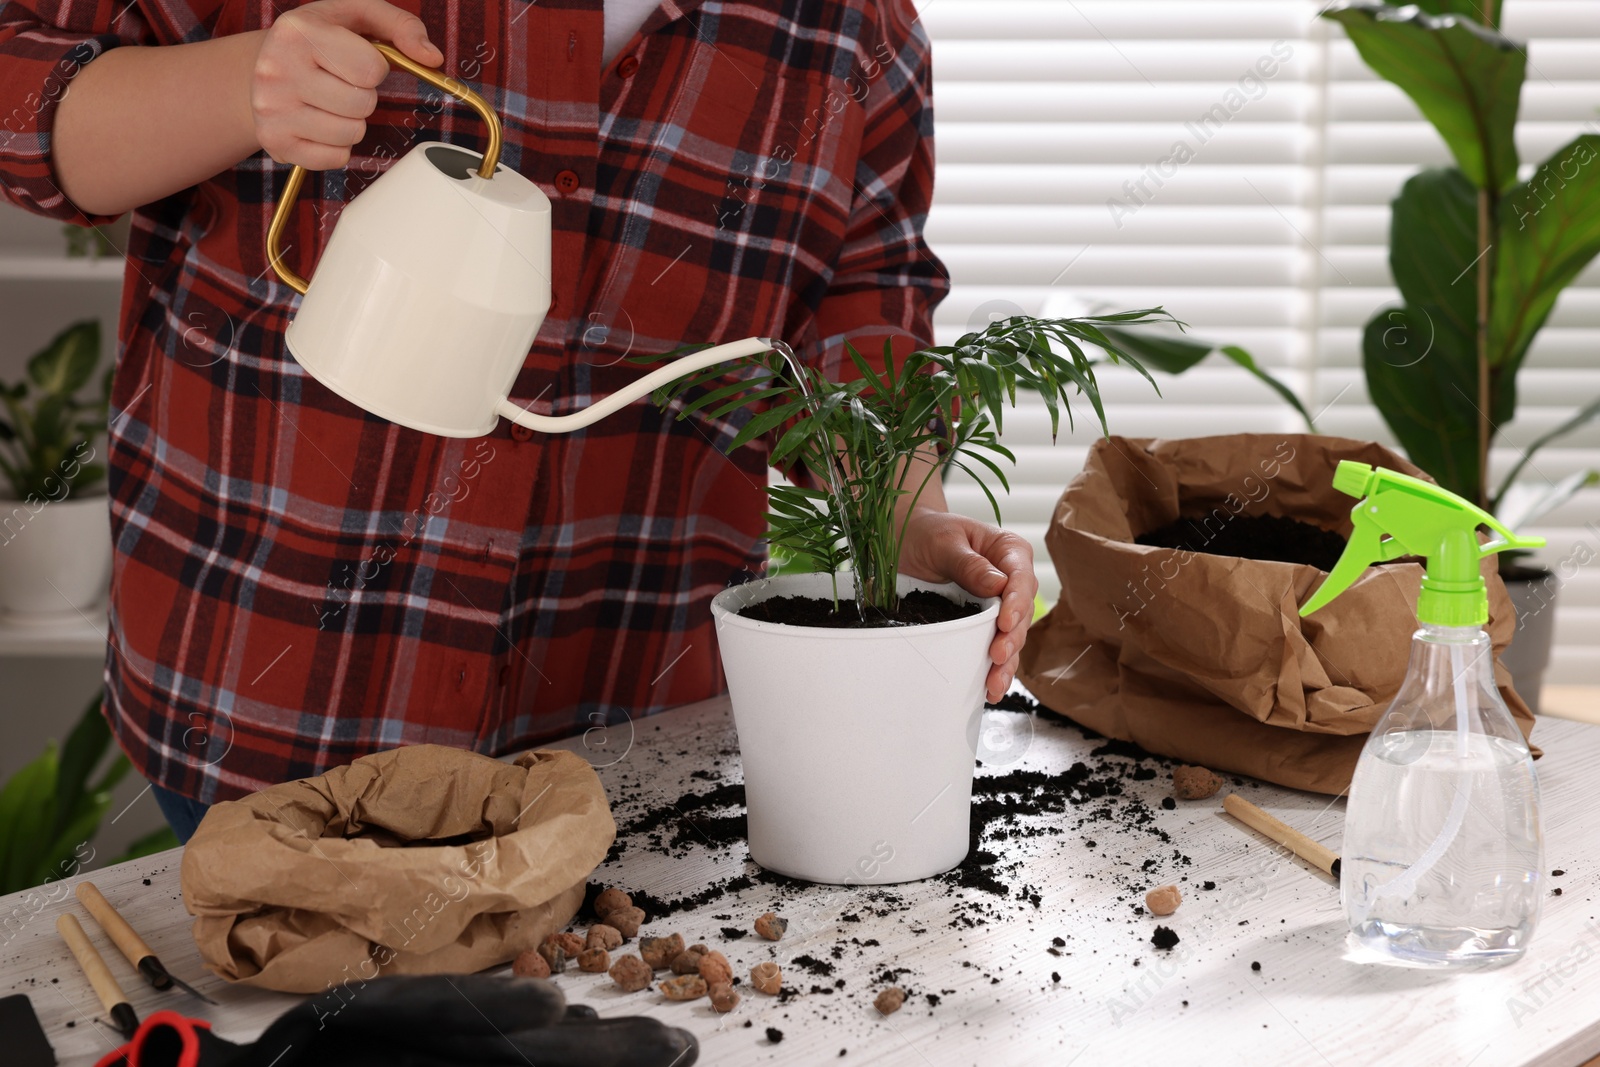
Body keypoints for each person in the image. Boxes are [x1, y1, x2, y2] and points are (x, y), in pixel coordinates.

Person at [0, 0, 1037, 842]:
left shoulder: (855, 37)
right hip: (274, 705)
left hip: (625, 729)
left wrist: (910, 525)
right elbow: (20, 102)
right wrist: (243, 83)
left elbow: (861, 328)